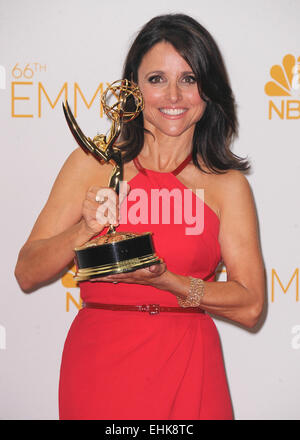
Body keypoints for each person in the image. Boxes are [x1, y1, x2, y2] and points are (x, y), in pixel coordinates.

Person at [15, 14, 265, 420]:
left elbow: (251, 306)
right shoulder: (90, 164)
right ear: (132, 86)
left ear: (209, 89)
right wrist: (85, 229)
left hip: (190, 368)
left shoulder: (227, 185)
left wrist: (173, 283)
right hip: (100, 371)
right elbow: (27, 271)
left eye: (188, 78)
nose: (174, 95)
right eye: (156, 79)